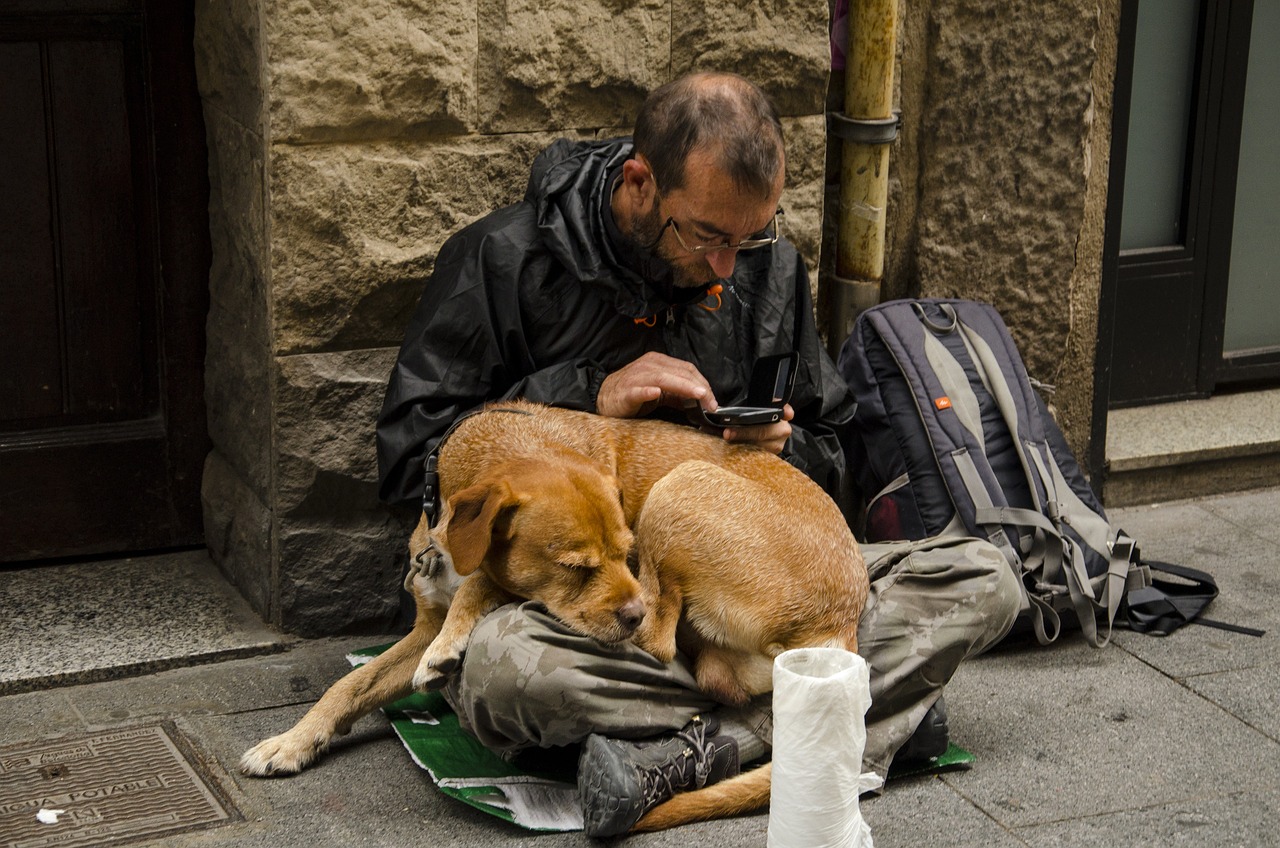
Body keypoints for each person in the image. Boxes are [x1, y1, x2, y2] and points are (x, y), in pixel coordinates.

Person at [376, 71, 1020, 836]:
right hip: (603, 618)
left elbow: (839, 450)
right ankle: (848, 715)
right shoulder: (502, 259)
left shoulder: (767, 266)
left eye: (749, 238)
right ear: (640, 183)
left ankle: (707, 749)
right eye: (708, 236)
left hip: (739, 591)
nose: (728, 265)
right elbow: (411, 457)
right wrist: (586, 393)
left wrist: (789, 446)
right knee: (503, 676)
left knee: (989, 577)